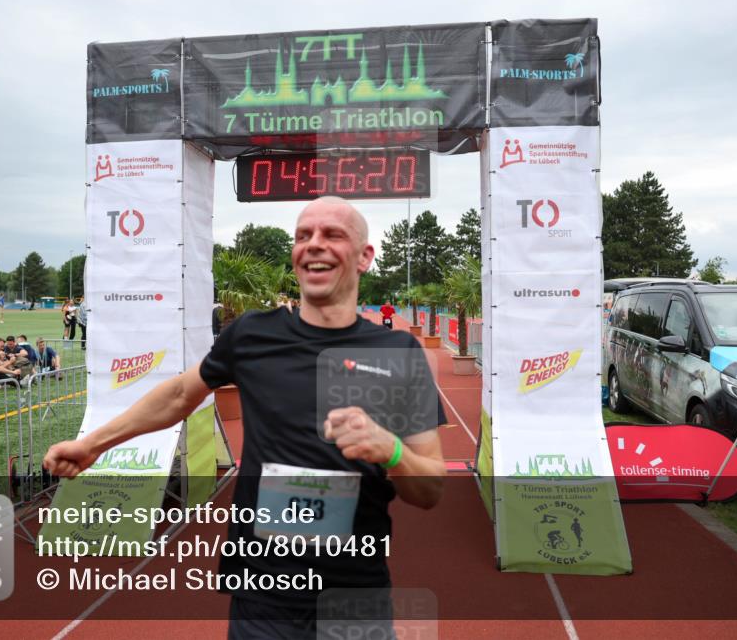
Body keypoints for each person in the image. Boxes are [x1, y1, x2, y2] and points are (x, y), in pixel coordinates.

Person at [44, 196, 446, 638]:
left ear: (365, 256)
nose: (313, 244)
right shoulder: (253, 334)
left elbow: (429, 487)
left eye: (333, 235)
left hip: (355, 589)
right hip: (264, 589)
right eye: (302, 236)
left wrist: (391, 452)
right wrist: (91, 445)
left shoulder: (397, 352)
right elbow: (179, 394)